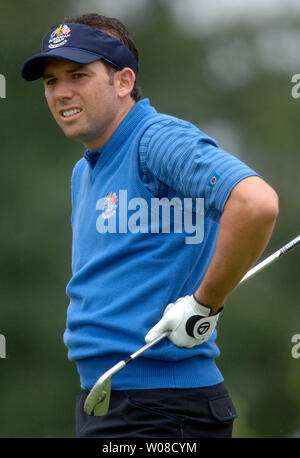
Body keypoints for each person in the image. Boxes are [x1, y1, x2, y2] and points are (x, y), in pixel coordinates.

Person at [21, 13, 279, 438]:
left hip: (163, 409)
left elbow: (256, 204)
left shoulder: (156, 139)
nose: (61, 92)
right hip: (108, 402)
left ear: (123, 82)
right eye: (51, 82)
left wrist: (204, 306)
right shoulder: (83, 171)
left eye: (78, 75)